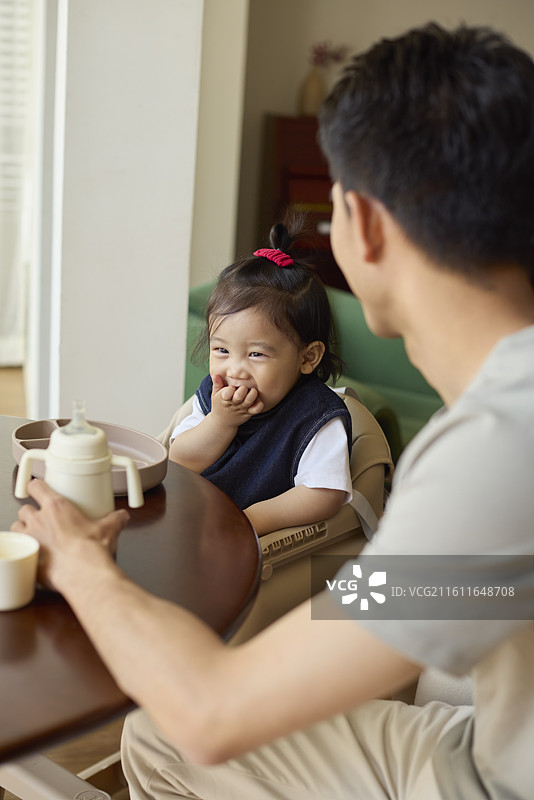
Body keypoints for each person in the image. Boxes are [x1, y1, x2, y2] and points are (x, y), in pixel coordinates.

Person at [11, 22, 534, 800]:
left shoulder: (493, 451)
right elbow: (463, 586)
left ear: (364, 224)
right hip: (485, 727)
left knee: (166, 730)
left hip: (490, 777)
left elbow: (211, 714)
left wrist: (82, 563)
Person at [168, 217, 352, 535]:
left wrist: (253, 518)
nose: (235, 370)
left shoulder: (316, 416)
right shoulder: (213, 395)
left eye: (256, 354)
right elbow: (180, 461)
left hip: (258, 541)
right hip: (192, 523)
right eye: (222, 350)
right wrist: (221, 422)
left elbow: (325, 492)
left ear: (307, 358)